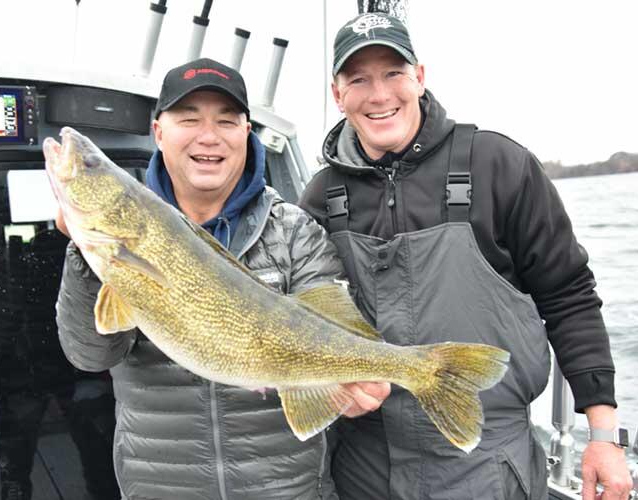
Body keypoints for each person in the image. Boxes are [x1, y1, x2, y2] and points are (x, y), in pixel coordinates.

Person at [299, 12, 633, 500]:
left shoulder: (498, 165)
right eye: (358, 78)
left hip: (486, 466)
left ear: (420, 76)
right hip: (363, 466)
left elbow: (569, 296)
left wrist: (603, 436)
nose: (378, 94)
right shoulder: (320, 197)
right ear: (337, 94)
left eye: (393, 72)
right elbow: (307, 327)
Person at [54, 57, 389, 500]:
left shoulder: (295, 232)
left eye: (226, 121)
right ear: (159, 132)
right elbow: (90, 356)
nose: (208, 136)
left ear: (246, 134)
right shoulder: (117, 243)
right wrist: (86, 253)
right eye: (189, 119)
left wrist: (357, 381)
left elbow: (336, 329)